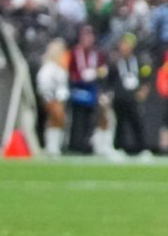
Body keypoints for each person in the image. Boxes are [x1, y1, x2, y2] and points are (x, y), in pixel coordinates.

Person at [108, 32, 152, 159]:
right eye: (123, 44)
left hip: (134, 97)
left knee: (137, 122)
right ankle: (118, 148)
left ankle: (142, 149)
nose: (125, 47)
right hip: (120, 97)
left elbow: (146, 77)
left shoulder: (139, 60)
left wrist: (144, 90)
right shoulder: (115, 61)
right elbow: (110, 80)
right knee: (119, 123)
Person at [65, 24, 106, 155]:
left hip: (92, 89)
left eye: (89, 36)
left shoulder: (97, 54)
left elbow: (103, 70)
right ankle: (74, 144)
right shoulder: (74, 52)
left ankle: (87, 144)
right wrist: (78, 77)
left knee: (91, 118)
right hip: (78, 88)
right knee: (77, 118)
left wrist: (96, 73)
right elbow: (69, 70)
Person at [35, 39, 71, 158]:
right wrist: (50, 98)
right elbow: (43, 84)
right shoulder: (48, 67)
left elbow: (63, 85)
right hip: (50, 98)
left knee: (59, 120)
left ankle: (55, 145)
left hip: (59, 98)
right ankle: (51, 146)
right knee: (55, 119)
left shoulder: (60, 67)